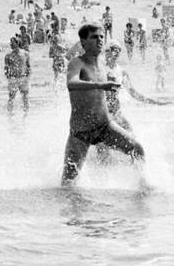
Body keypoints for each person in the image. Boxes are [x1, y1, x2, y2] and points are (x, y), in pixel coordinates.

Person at [61, 25, 145, 185]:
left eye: (101, 37)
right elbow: (71, 83)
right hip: (81, 131)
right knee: (68, 183)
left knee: (137, 150)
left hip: (105, 126)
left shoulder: (103, 66)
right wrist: (99, 85)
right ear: (83, 42)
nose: (99, 40)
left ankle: (142, 191)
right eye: (94, 37)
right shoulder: (77, 63)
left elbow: (108, 95)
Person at [3, 37, 31, 117]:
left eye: (12, 43)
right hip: (13, 78)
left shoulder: (25, 54)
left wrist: (27, 77)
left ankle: (26, 114)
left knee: (25, 97)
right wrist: (8, 77)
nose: (10, 44)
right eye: (10, 43)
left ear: (17, 43)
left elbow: (28, 66)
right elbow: (6, 68)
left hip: (23, 78)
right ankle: (9, 114)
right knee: (11, 97)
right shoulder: (8, 55)